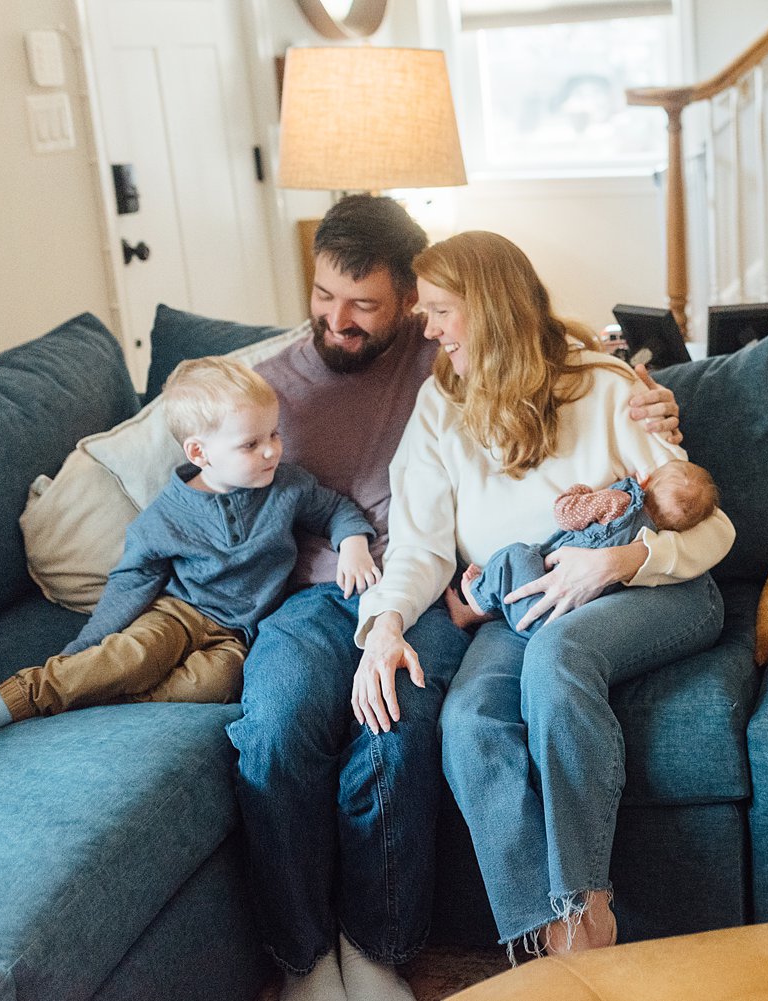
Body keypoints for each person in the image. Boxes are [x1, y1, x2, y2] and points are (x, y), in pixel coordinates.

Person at [226, 196, 686, 1001]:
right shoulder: (267, 384)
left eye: (366, 303)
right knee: (279, 728)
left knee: (396, 722)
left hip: (453, 588)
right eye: (324, 296)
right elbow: (187, 449)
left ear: (406, 302)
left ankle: (386, 944)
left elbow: (542, 339)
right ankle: (306, 960)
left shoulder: (449, 358)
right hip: (322, 598)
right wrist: (378, 623)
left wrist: (652, 401)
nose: (340, 318)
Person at [353, 230, 733, 961]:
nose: (426, 327)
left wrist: (621, 559)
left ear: (489, 307)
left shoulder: (610, 387)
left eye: (439, 308)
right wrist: (385, 624)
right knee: (467, 720)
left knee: (559, 654)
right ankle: (557, 943)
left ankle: (587, 900)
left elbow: (713, 528)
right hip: (529, 601)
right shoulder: (441, 406)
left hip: (653, 585)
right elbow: (422, 545)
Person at [0, 357, 378, 741]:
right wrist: (87, 645)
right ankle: (22, 697)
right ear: (200, 452)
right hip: (177, 613)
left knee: (215, 685)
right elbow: (132, 580)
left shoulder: (288, 486)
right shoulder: (166, 515)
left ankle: (90, 706)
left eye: (274, 434)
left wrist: (354, 543)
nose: (271, 450)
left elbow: (334, 509)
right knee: (134, 656)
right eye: (250, 444)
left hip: (238, 633)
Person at [452, 460, 719, 637]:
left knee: (518, 554)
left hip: (539, 605)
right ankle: (489, 610)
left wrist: (582, 491)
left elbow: (565, 513)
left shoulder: (618, 502)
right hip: (561, 622)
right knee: (521, 572)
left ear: (646, 481)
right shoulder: (652, 539)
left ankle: (475, 601)